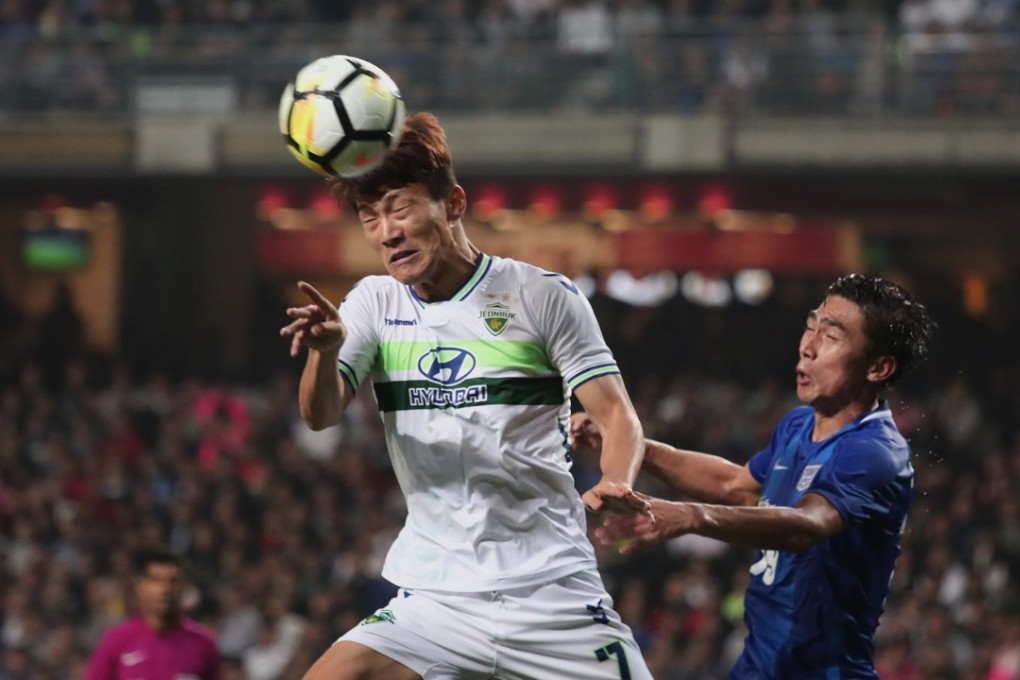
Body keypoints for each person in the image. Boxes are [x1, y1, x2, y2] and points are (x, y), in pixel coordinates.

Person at [279, 112, 654, 680]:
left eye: (401, 208)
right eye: (370, 217)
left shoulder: (542, 296)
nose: (387, 231)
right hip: (435, 599)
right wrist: (325, 351)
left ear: (452, 203)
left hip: (550, 592)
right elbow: (320, 414)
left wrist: (616, 480)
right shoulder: (374, 304)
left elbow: (617, 416)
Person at [574, 274, 937, 679]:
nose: (808, 346)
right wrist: (634, 443)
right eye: (810, 326)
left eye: (831, 337)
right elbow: (738, 487)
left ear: (879, 367)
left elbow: (806, 526)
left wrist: (692, 517)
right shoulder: (799, 425)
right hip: (757, 667)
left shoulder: (874, 450)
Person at [84, 547, 220, 680]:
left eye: (172, 581)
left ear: (183, 587)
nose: (165, 589)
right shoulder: (116, 641)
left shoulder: (204, 644)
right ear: (140, 587)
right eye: (156, 580)